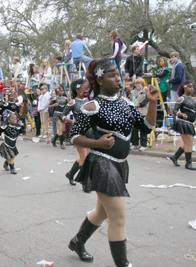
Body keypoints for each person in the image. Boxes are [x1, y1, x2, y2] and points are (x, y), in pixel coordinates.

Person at [68, 58, 158, 266]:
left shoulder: (125, 102)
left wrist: (152, 102)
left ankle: (78, 241)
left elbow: (146, 126)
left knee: (101, 212)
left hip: (120, 163)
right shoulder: (92, 106)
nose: (118, 79)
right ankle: (123, 264)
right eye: (112, 76)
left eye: (118, 75)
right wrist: (96, 142)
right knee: (118, 217)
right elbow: (73, 136)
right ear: (99, 80)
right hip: (102, 163)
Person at [169, 81, 196, 170]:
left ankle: (175, 157)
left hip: (190, 123)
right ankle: (188, 163)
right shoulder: (181, 99)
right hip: (183, 123)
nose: (192, 88)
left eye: (193, 87)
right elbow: (174, 111)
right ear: (185, 88)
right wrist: (181, 115)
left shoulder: (193, 99)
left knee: (187, 143)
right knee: (189, 143)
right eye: (190, 87)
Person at [62, 79, 89, 186]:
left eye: (87, 87)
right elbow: (63, 115)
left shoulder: (90, 100)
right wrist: (71, 120)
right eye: (84, 88)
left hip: (88, 132)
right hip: (77, 131)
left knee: (86, 156)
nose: (86, 89)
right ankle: (85, 181)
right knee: (84, 156)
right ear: (77, 90)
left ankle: (70, 174)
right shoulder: (73, 102)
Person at [130, 78, 150, 151]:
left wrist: (139, 105)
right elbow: (131, 99)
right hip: (134, 111)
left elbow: (147, 100)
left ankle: (143, 145)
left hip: (143, 111)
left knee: (143, 129)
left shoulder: (145, 91)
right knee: (134, 129)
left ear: (142, 84)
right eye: (137, 83)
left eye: (139, 83)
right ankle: (135, 143)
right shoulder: (134, 91)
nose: (138, 85)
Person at [49, 84, 69, 149]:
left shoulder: (65, 98)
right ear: (57, 92)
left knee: (61, 129)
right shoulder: (55, 98)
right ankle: (61, 144)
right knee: (60, 128)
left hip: (63, 114)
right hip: (56, 114)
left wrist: (69, 98)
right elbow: (49, 106)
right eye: (60, 91)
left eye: (62, 91)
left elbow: (69, 105)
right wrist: (54, 105)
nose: (62, 92)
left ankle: (54, 140)